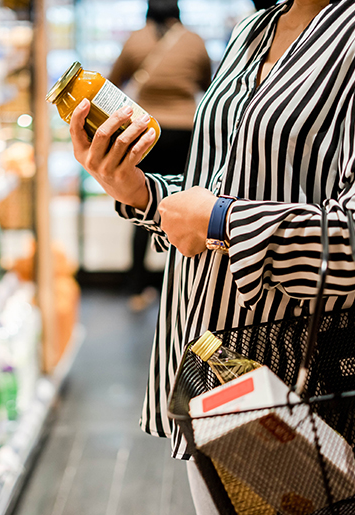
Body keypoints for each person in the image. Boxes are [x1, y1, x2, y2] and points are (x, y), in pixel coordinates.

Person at [69, 0, 355, 512]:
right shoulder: (254, 28)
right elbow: (221, 184)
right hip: (209, 367)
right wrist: (141, 193)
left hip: (298, 384)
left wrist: (223, 221)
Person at [107, 0, 212, 311]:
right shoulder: (194, 41)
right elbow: (207, 83)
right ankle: (181, 289)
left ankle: (136, 289)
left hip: (145, 132)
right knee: (183, 204)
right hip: (185, 133)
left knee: (143, 205)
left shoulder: (134, 39)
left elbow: (113, 84)